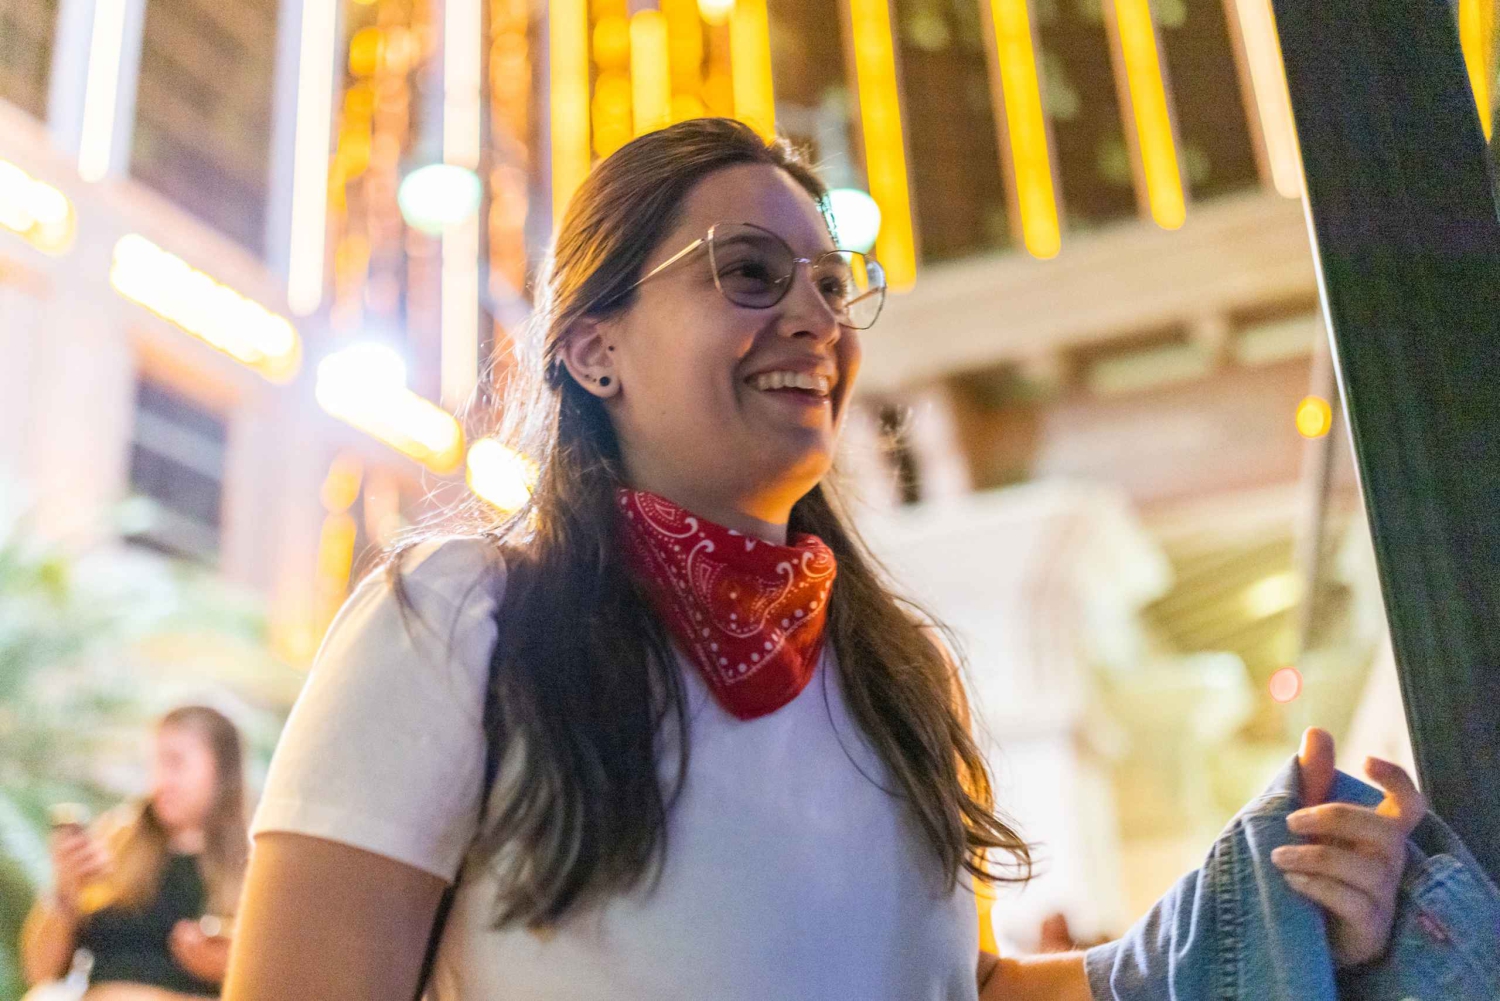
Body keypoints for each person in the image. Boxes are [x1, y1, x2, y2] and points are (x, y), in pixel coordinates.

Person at [223, 118, 1423, 1001]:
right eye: (748, 272)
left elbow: (965, 989)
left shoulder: (907, 675)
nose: (814, 317)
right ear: (593, 351)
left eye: (834, 285)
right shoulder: (461, 616)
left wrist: (1268, 918)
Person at [21, 706, 248, 1000]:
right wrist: (66, 892)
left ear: (223, 771)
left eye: (176, 762)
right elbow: (40, 973)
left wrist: (228, 968)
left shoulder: (252, 867)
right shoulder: (113, 843)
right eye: (154, 764)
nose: (161, 781)